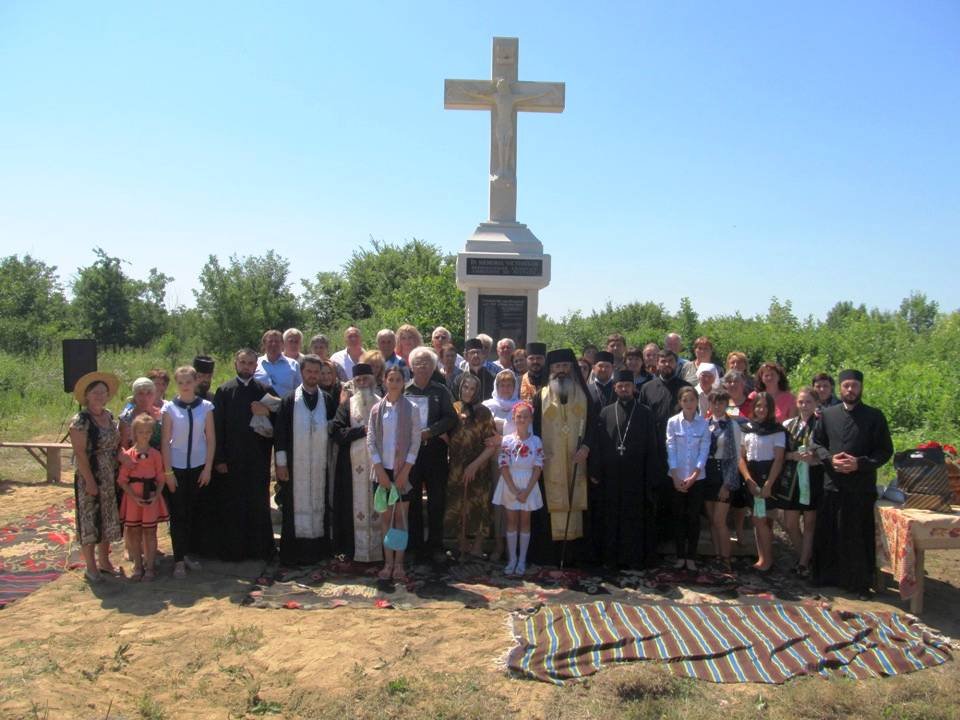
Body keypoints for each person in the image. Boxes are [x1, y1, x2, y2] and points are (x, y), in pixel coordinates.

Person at [811, 369, 893, 598]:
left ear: (861, 388)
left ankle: (858, 583)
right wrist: (830, 459)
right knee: (829, 532)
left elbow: (885, 451)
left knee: (857, 536)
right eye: (846, 385)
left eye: (854, 386)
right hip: (833, 484)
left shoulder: (875, 416)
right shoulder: (828, 415)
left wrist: (860, 463)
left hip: (860, 487)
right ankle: (826, 577)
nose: (850, 390)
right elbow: (816, 442)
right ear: (840, 388)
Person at [530, 348, 597, 566]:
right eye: (557, 366)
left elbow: (593, 425)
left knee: (577, 499)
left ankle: (575, 554)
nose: (561, 370)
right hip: (550, 461)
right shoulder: (540, 396)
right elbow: (534, 429)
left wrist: (586, 447)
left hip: (578, 458)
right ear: (550, 369)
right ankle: (551, 554)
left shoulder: (584, 395)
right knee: (551, 502)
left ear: (572, 368)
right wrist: (540, 452)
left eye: (565, 366)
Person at [589, 370, 660, 570]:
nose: (624, 389)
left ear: (633, 388)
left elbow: (652, 445)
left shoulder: (645, 413)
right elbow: (598, 445)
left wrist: (652, 474)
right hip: (611, 476)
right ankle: (611, 558)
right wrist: (595, 470)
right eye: (620, 386)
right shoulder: (606, 412)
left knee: (633, 517)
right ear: (615, 388)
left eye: (627, 386)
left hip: (636, 476)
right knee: (611, 517)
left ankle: (633, 558)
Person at [273, 355, 339, 566]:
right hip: (295, 465)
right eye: (309, 371)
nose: (312, 375)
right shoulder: (289, 400)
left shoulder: (327, 400)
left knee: (320, 505)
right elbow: (280, 434)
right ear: (302, 372)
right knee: (294, 506)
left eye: (316, 372)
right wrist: (281, 464)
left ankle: (319, 552)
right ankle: (294, 554)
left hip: (320, 464)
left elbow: (334, 430)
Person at [213, 348, 277, 562]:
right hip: (232, 459)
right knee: (234, 504)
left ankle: (260, 550)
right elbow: (217, 427)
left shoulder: (265, 390)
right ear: (235, 364)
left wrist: (267, 412)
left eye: (250, 363)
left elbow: (280, 419)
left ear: (256, 366)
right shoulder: (224, 391)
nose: (246, 366)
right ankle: (235, 551)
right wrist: (220, 459)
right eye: (243, 362)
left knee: (258, 503)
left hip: (258, 457)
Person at [368, 366, 424, 581]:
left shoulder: (412, 408)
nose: (394, 383)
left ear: (404, 382)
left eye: (398, 380)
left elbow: (416, 441)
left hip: (403, 471)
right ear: (384, 381)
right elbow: (371, 440)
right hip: (382, 470)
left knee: (400, 518)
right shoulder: (376, 410)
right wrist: (379, 469)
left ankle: (399, 563)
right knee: (385, 519)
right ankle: (387, 563)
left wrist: (405, 471)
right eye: (390, 379)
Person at [161, 366, 216, 578]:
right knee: (178, 515)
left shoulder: (206, 407)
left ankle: (188, 554)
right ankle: (178, 560)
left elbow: (211, 439)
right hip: (176, 467)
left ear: (195, 382)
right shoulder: (169, 408)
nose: (185, 386)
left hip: (198, 467)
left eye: (188, 382)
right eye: (181, 382)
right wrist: (168, 473)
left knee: (194, 513)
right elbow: (165, 442)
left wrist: (208, 468)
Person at [404, 347, 458, 561]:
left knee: (437, 499)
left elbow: (451, 418)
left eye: (427, 362)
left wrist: (431, 431)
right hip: (410, 454)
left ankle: (436, 545)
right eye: (418, 362)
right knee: (413, 499)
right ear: (411, 366)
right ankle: (415, 545)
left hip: (435, 452)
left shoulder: (441, 391)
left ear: (434, 366)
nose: (422, 366)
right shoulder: (404, 390)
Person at [69, 371, 123, 584]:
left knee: (107, 518)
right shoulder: (80, 421)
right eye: (95, 392)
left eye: (103, 392)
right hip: (90, 474)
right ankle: (91, 567)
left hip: (110, 475)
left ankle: (105, 561)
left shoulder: (109, 415)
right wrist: (90, 481)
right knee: (90, 520)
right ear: (87, 396)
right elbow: (80, 453)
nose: (100, 396)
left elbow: (115, 445)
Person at [330, 364, 382, 562]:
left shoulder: (383, 404)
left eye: (365, 379)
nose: (362, 383)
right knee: (351, 508)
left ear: (373, 380)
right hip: (351, 468)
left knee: (379, 507)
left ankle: (379, 552)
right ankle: (353, 550)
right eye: (358, 380)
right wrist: (362, 431)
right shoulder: (347, 405)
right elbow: (336, 432)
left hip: (378, 468)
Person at [445, 373, 498, 557]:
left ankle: (478, 546)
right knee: (457, 504)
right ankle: (462, 544)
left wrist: (474, 465)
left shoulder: (484, 412)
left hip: (479, 466)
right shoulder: (454, 409)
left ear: (477, 391)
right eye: (465, 387)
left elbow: (492, 445)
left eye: (472, 388)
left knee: (480, 505)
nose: (468, 391)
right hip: (456, 467)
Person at [775, 387, 823, 577]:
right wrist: (792, 455)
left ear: (816, 403)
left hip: (812, 476)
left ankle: (803, 563)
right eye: (801, 402)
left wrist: (815, 458)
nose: (804, 406)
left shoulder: (822, 425)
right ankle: (807, 557)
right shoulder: (788, 424)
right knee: (790, 523)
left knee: (809, 523)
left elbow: (828, 451)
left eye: (809, 402)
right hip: (792, 478)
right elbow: (780, 452)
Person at [118, 413, 170, 582]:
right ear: (134, 433)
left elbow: (161, 477)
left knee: (150, 531)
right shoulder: (129, 455)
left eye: (148, 432)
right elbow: (122, 480)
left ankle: (150, 567)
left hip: (151, 498)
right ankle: (138, 566)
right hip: (133, 499)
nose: (145, 435)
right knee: (134, 531)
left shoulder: (155, 454)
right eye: (141, 432)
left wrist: (157, 495)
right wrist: (133, 496)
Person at [493, 402, 544, 576]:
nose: (522, 419)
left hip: (529, 483)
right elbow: (503, 465)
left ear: (531, 419)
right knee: (511, 521)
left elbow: (538, 467)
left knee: (525, 522)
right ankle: (512, 559)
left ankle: (522, 559)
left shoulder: (536, 441)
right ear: (514, 418)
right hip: (510, 483)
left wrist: (527, 491)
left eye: (525, 416)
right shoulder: (507, 440)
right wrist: (514, 490)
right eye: (519, 416)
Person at [738, 392, 786, 573]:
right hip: (752, 476)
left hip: (768, 477)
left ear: (771, 409)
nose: (761, 409)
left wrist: (769, 484)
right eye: (758, 406)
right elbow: (741, 458)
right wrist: (748, 479)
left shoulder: (777, 430)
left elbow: (779, 459)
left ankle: (768, 561)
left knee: (761, 520)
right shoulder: (747, 428)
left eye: (765, 406)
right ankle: (762, 558)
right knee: (757, 518)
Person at [666, 386, 710, 571]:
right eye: (685, 400)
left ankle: (691, 556)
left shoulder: (703, 424)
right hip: (676, 476)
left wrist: (694, 474)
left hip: (697, 479)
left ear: (697, 401)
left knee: (693, 518)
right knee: (678, 517)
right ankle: (680, 555)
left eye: (692, 400)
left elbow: (704, 450)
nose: (689, 403)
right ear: (680, 402)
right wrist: (675, 474)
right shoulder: (673, 422)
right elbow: (670, 447)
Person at [702, 390, 744, 572]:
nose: (717, 406)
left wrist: (727, 484)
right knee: (712, 520)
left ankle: (726, 559)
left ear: (726, 404)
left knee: (720, 520)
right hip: (707, 473)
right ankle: (717, 556)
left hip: (724, 473)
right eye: (714, 403)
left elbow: (735, 457)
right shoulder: (705, 424)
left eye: (721, 403)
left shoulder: (732, 426)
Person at [119, 377, 162, 450]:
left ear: (154, 394)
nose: (145, 397)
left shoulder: (162, 415)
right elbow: (123, 446)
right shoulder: (126, 417)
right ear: (134, 396)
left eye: (149, 393)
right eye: (140, 393)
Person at [255, 329, 299, 398]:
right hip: (260, 404)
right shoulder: (255, 363)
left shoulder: (293, 364)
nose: (274, 344)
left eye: (277, 341)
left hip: (286, 404)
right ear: (264, 344)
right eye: (270, 341)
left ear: (282, 344)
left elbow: (299, 390)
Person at [453, 337, 496, 401]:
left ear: (483, 355)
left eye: (478, 352)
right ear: (466, 356)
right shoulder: (458, 379)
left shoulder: (492, 377)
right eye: (472, 352)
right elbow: (455, 401)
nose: (476, 355)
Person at [483, 370, 519, 437]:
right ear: (496, 387)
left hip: (515, 443)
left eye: (509, 385)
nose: (505, 389)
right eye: (502, 385)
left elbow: (527, 434)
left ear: (514, 387)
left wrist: (503, 440)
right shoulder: (486, 406)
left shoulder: (521, 407)